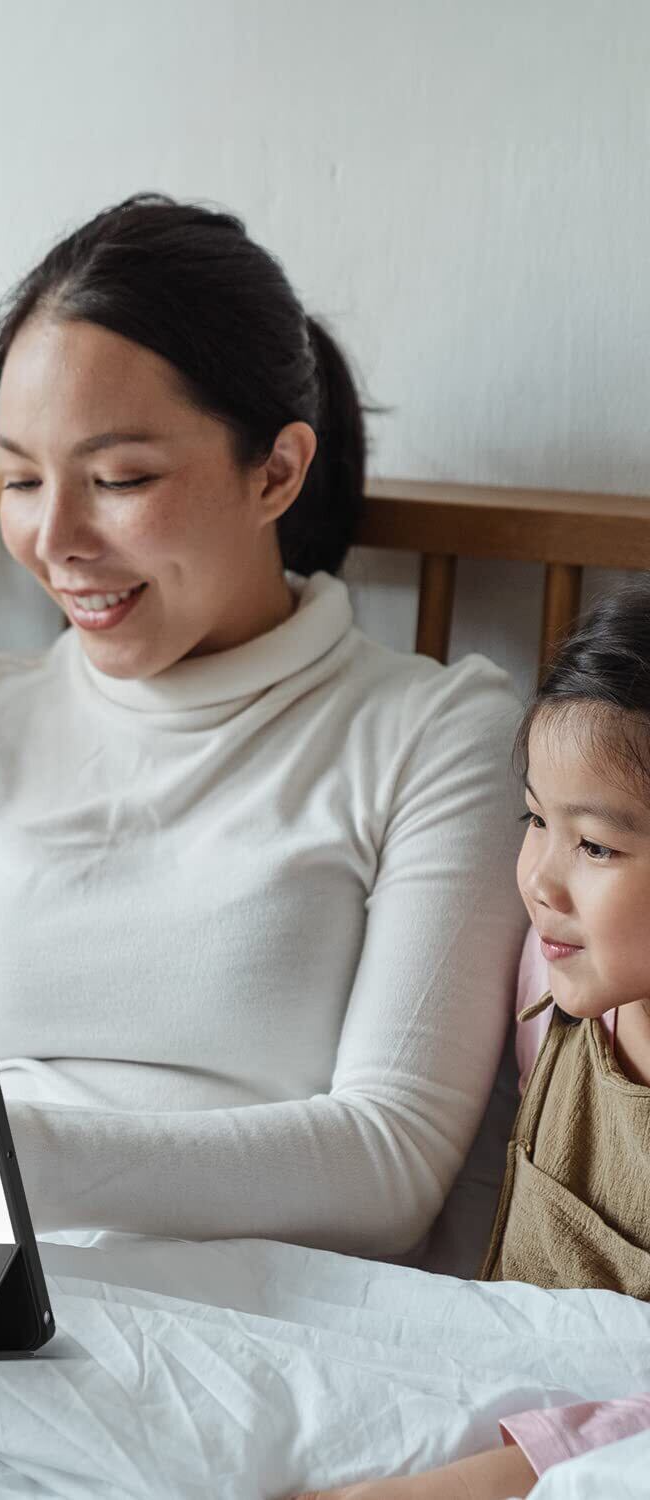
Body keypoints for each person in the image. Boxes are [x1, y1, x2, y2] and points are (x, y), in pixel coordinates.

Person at [0, 193, 528, 1253]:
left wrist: (2, 1154)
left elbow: (388, 1162)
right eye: (22, 477)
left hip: (232, 1313)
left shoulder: (434, 735)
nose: (53, 540)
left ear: (277, 471)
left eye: (120, 479)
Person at [296, 583, 650, 1499]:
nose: (540, 881)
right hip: (489, 1388)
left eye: (596, 847)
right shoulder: (551, 983)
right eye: (536, 821)